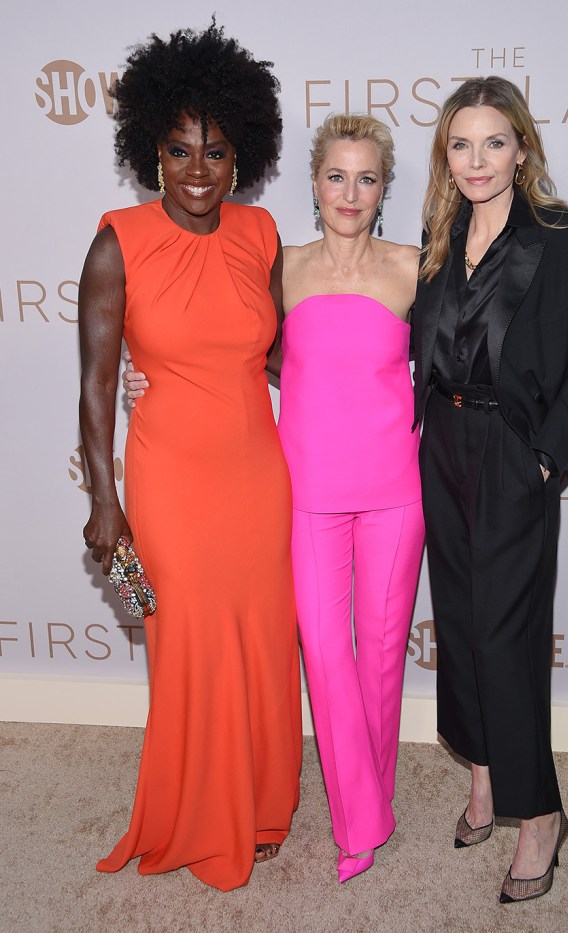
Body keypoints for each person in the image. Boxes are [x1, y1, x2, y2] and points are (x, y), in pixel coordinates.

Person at [125, 113, 425, 883]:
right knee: (324, 657)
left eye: (366, 178)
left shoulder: (415, 267)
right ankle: (361, 814)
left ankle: (368, 809)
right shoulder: (279, 263)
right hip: (305, 488)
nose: (349, 193)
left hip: (395, 488)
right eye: (336, 176)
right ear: (314, 184)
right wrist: (148, 376)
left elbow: (463, 362)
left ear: (384, 188)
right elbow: (232, 346)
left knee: (382, 657)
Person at [78, 21, 301, 892]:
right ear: (151, 155)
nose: (198, 170)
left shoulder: (260, 232)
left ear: (239, 155)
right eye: (179, 151)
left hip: (257, 470)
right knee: (181, 637)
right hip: (166, 480)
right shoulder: (117, 241)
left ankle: (261, 802)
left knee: (258, 640)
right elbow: (97, 388)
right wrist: (106, 502)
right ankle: (195, 809)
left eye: (214, 151)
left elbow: (283, 355)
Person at [412, 76, 568, 902]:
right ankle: (486, 778)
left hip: (510, 447)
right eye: (461, 144)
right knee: (458, 622)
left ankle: (538, 816)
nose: (478, 160)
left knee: (507, 635)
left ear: (522, 147)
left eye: (494, 142)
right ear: (446, 156)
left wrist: (543, 458)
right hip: (441, 445)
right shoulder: (437, 233)